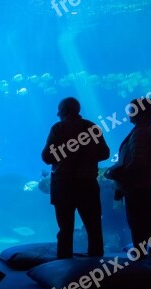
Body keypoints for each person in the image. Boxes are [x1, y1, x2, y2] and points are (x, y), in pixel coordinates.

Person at [42, 97, 110, 259]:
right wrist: (87, 157)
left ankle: (63, 267)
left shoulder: (58, 129)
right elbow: (105, 153)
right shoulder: (91, 127)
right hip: (88, 184)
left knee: (65, 229)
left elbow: (46, 156)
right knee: (94, 227)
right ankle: (96, 264)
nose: (57, 113)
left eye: (59, 110)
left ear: (64, 111)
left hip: (63, 185)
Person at [105, 96, 151, 256]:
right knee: (149, 218)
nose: (129, 113)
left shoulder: (140, 132)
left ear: (141, 113)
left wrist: (120, 174)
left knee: (137, 220)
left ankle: (139, 252)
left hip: (139, 185)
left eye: (132, 110)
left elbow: (138, 162)